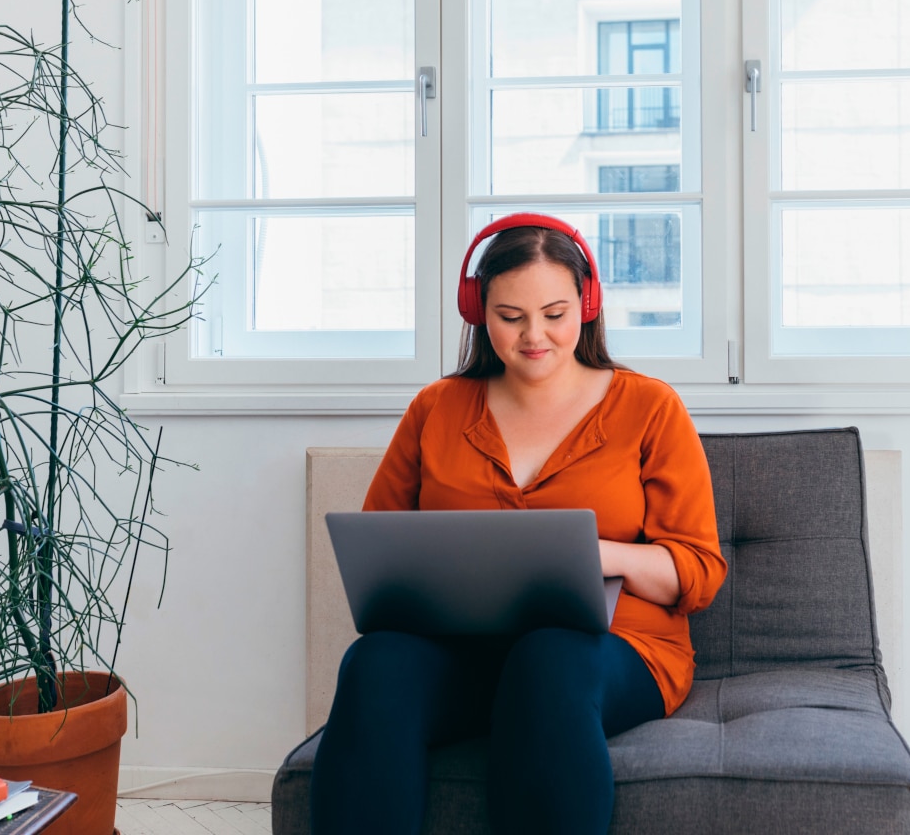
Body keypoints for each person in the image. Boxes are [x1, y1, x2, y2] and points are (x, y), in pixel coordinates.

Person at [310, 213, 727, 835]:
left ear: (586, 306)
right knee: (376, 663)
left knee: (547, 658)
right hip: (464, 650)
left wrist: (597, 554)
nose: (535, 336)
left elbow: (697, 572)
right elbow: (384, 550)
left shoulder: (650, 407)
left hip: (616, 651)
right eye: (511, 317)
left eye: (555, 314)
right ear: (478, 311)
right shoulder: (436, 408)